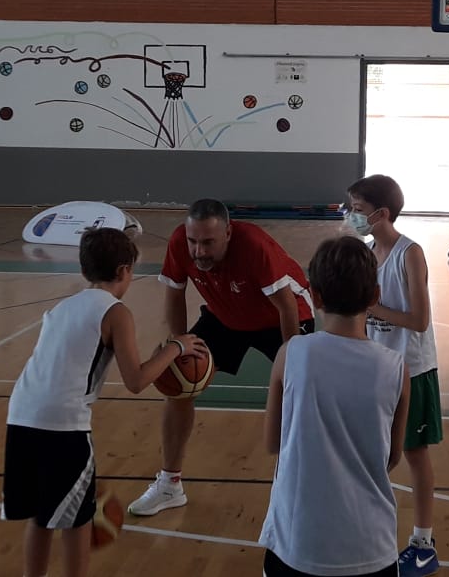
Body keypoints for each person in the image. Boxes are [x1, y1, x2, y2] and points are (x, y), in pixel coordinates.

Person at [1, 227, 207, 577]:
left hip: (21, 416)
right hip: (63, 423)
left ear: (85, 270)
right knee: (77, 519)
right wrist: (177, 347)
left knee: (41, 515)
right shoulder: (116, 313)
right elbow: (137, 381)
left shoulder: (60, 308)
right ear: (125, 271)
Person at [128, 198, 315, 516]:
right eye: (193, 241)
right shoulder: (179, 243)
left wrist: (293, 361)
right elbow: (174, 294)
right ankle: (169, 485)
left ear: (228, 232)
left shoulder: (254, 245)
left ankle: (311, 484)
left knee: (305, 398)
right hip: (224, 316)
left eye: (208, 243)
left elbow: (285, 306)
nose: (199, 251)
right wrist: (180, 346)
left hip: (281, 317)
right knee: (178, 388)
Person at [260, 235, 410, 577]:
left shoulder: (291, 354)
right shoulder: (396, 368)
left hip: (297, 543)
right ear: (375, 296)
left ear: (314, 295)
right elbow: (392, 457)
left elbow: (273, 442)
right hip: (372, 547)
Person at [345, 175, 443, 577]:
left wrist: (372, 307)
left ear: (381, 214)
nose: (351, 215)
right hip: (375, 368)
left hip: (411, 370)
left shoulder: (410, 254)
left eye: (356, 208)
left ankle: (423, 542)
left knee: (415, 455)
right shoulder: (366, 253)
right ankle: (366, 530)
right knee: (371, 451)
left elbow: (418, 320)